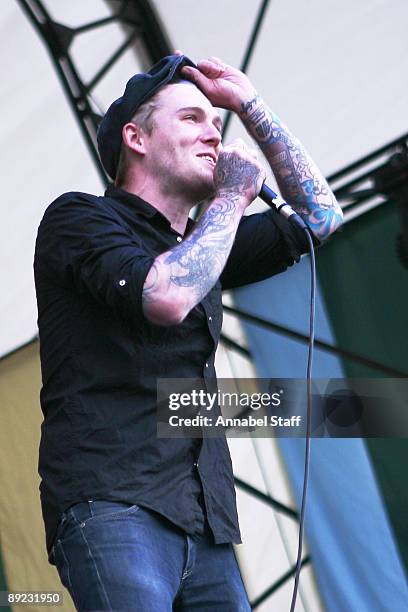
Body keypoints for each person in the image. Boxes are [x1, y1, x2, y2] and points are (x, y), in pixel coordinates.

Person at [34, 53, 343, 611]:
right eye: (192, 120)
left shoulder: (208, 248)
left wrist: (250, 105)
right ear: (136, 137)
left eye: (217, 124)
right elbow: (167, 296)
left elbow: (320, 216)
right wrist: (230, 198)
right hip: (113, 505)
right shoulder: (79, 219)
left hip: (205, 527)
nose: (214, 136)